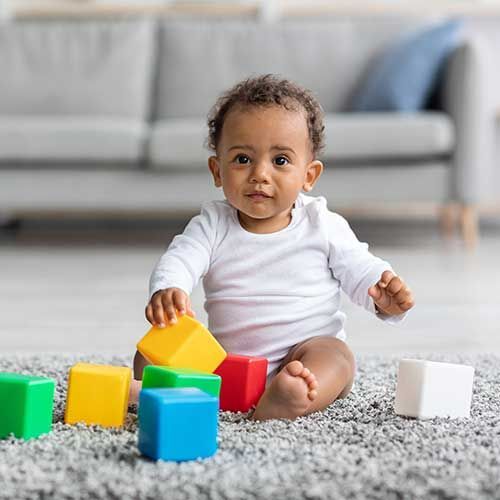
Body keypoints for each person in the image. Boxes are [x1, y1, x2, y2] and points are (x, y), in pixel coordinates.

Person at [132, 74, 414, 421]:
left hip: (302, 353)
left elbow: (359, 267)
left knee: (337, 357)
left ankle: (290, 397)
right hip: (225, 364)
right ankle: (164, 393)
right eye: (242, 159)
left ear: (309, 175)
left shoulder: (321, 223)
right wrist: (168, 289)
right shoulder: (212, 224)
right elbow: (180, 258)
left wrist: (382, 295)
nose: (260, 174)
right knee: (150, 352)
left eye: (280, 161)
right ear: (217, 170)